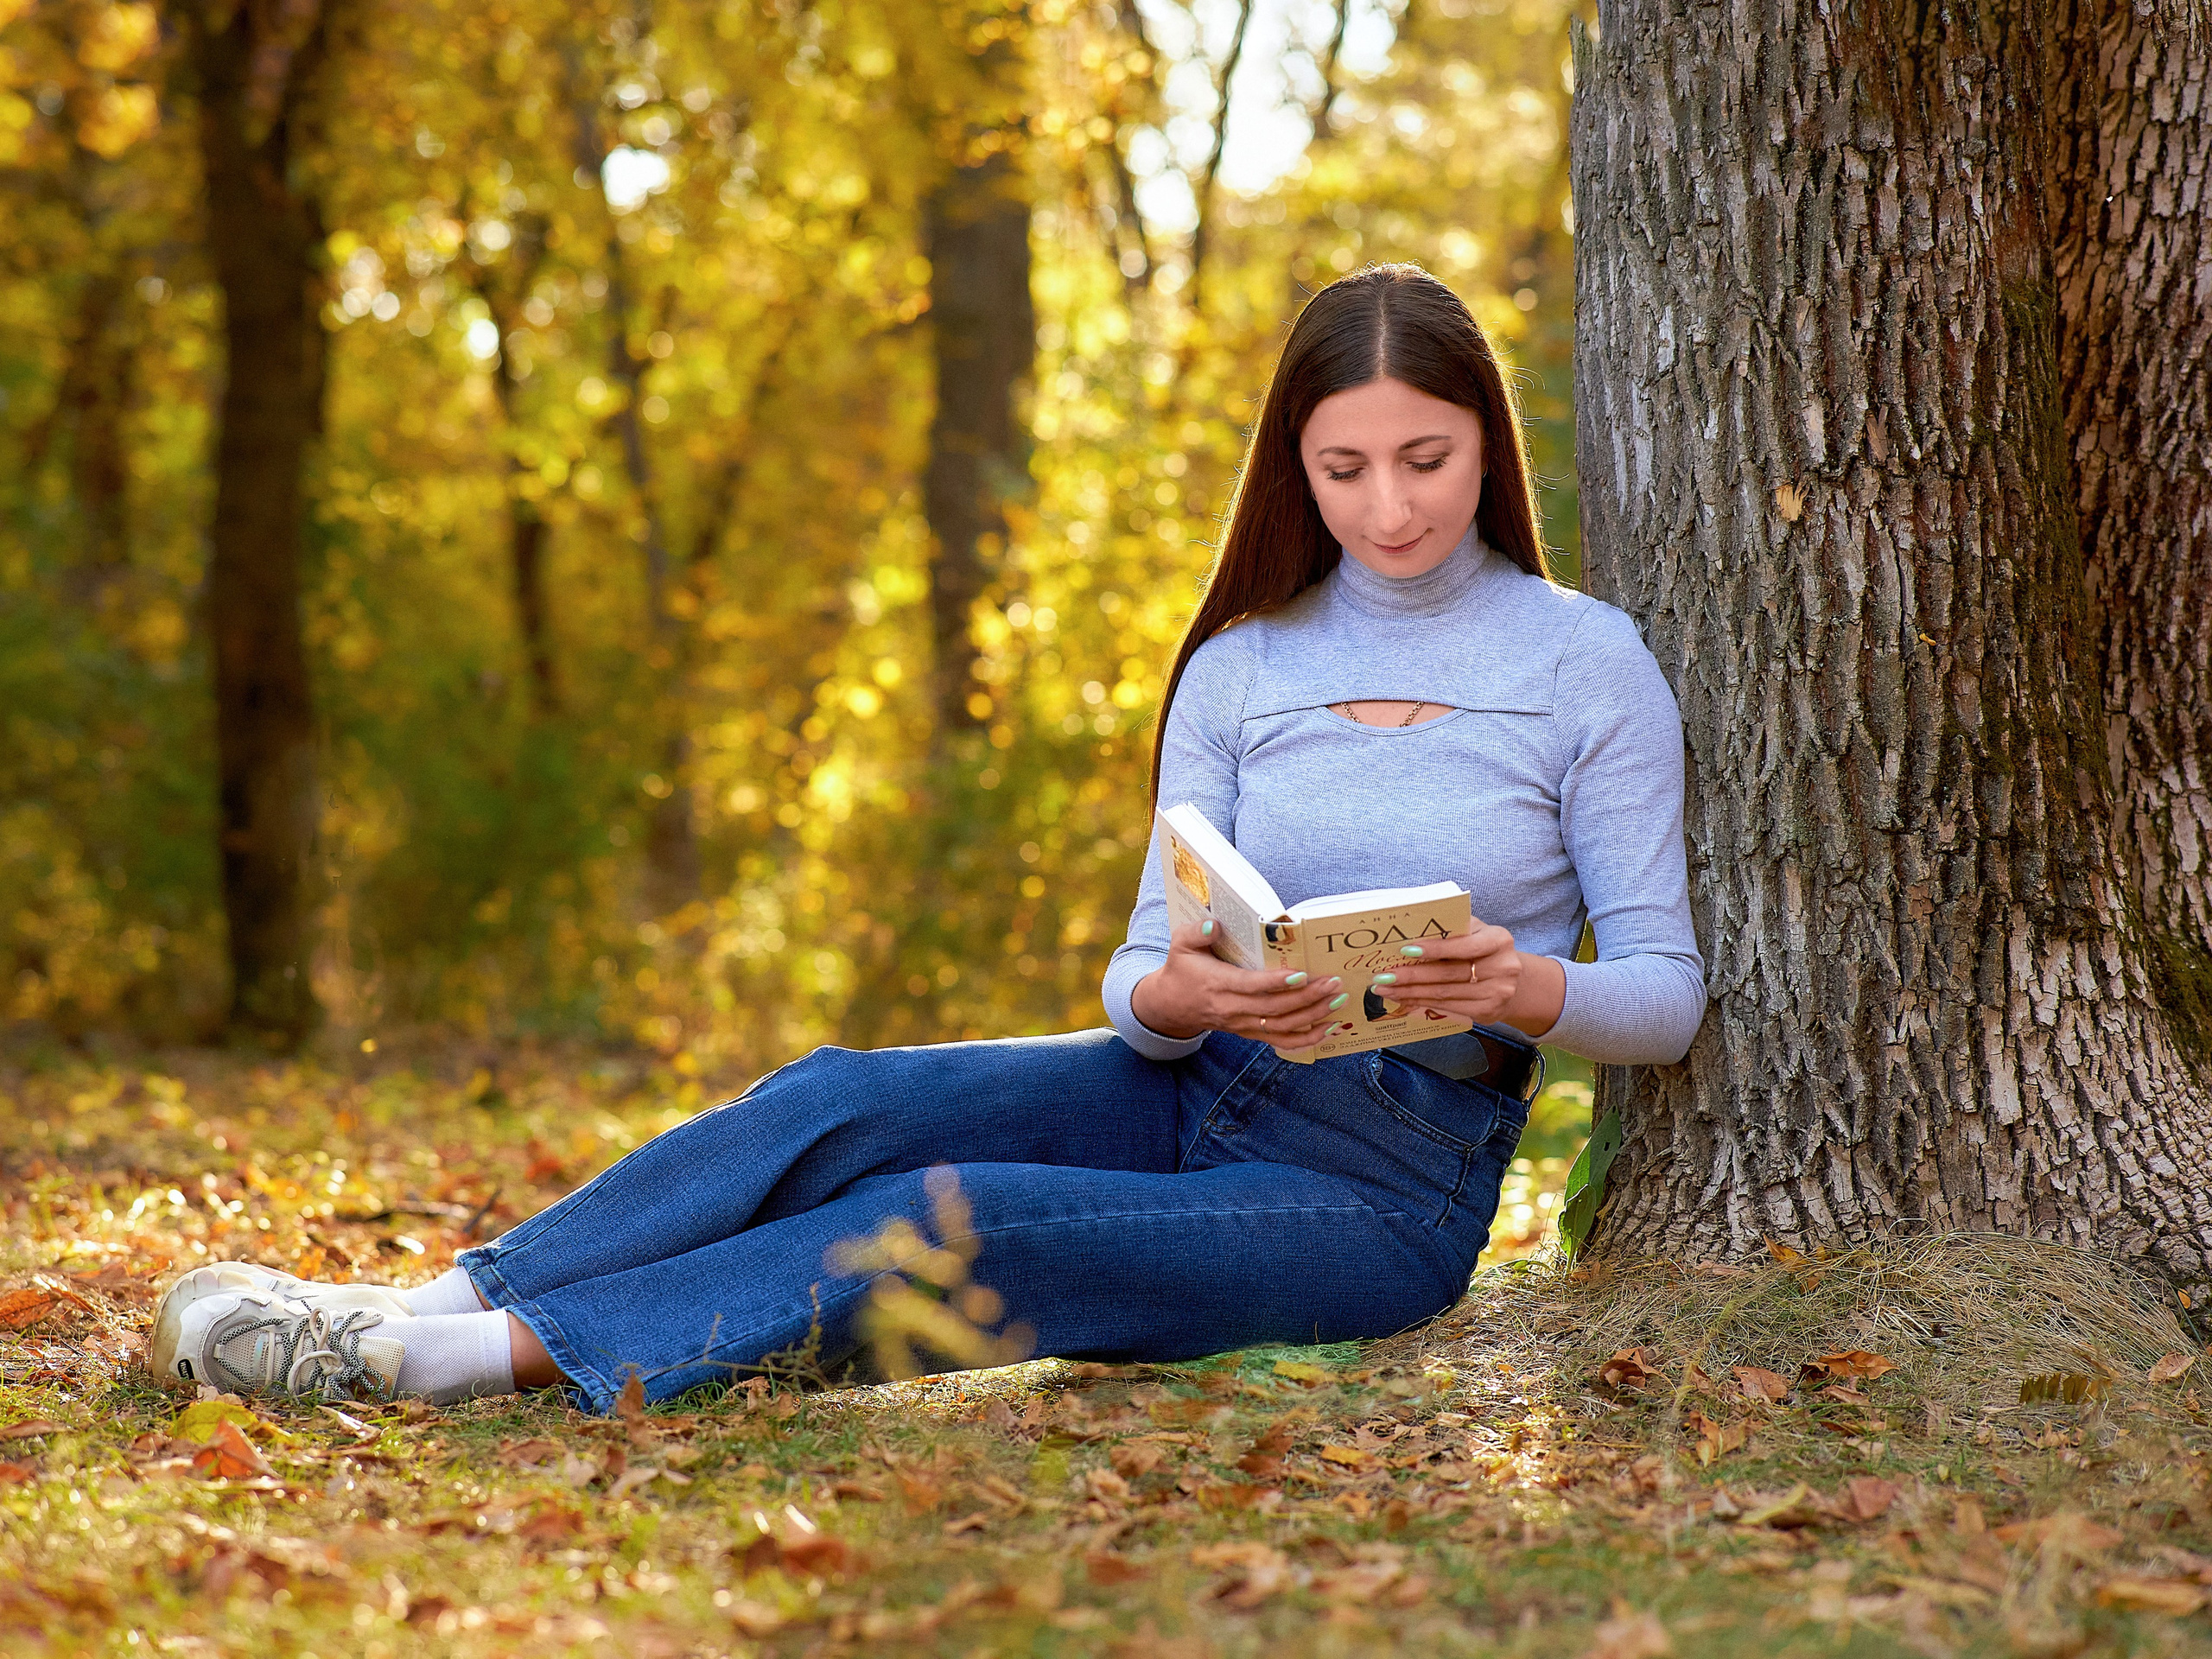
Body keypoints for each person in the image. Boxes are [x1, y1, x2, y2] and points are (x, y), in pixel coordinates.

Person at [149, 264, 1705, 1412]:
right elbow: (1135, 977)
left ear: (1486, 446)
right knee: (840, 1101)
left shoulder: (1584, 663)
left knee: (975, 1221)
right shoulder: (1243, 664)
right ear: (1294, 464)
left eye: (1424, 460)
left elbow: (1666, 992)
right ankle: (410, 1300)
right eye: (1341, 466)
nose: (1386, 507)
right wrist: (1180, 995)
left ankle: (450, 1366)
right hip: (1199, 1090)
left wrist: (1520, 989)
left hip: (1390, 1185)